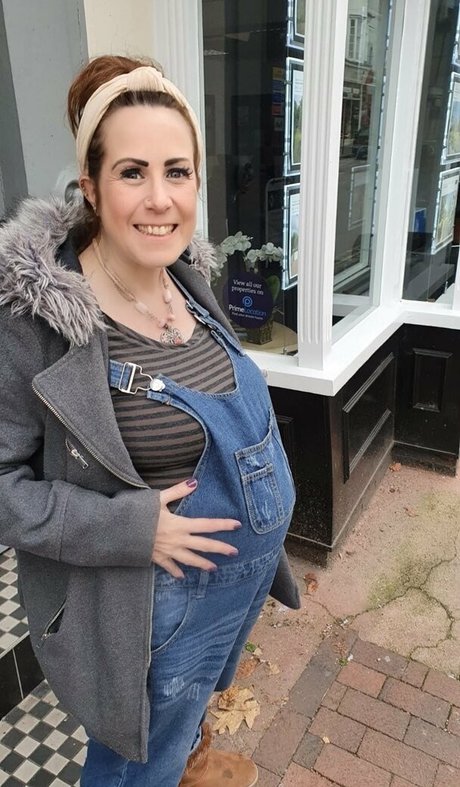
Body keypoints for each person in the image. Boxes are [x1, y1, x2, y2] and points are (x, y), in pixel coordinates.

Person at [0, 55, 300, 786]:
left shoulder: (189, 283)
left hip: (233, 593)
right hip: (150, 615)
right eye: (132, 172)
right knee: (133, 769)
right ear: (91, 186)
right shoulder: (36, 321)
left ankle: (193, 754)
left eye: (177, 171)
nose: (159, 198)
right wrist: (132, 528)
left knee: (177, 735)